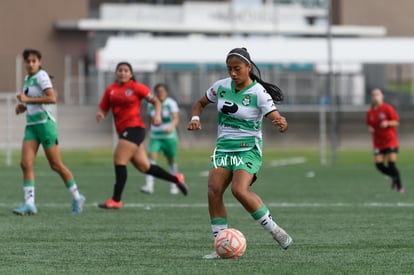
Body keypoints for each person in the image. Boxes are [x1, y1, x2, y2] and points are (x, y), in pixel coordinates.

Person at [187, 47, 292, 259]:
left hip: (248, 150)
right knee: (213, 191)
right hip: (224, 149)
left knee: (239, 190)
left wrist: (280, 123)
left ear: (248, 68)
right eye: (229, 69)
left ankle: (275, 231)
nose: (233, 73)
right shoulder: (221, 87)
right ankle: (220, 244)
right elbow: (199, 103)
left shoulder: (258, 93)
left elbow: (275, 116)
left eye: (237, 69)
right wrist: (195, 118)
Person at [96, 62, 188, 209]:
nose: (123, 73)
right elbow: (104, 107)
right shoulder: (110, 90)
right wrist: (101, 113)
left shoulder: (136, 87)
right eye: (120, 70)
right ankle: (176, 179)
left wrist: (157, 116)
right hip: (124, 132)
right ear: (116, 73)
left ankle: (116, 199)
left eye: (126, 70)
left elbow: (155, 101)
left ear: (131, 74)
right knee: (145, 167)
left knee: (119, 159)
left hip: (135, 129)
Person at [13, 48, 85, 216]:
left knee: (56, 165)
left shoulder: (42, 76)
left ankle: (77, 196)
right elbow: (31, 101)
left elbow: (52, 98)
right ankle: (29, 204)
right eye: (28, 61)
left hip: (45, 125)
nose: (31, 64)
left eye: (34, 61)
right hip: (32, 126)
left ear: (39, 62)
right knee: (25, 164)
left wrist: (28, 100)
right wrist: (22, 107)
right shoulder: (28, 78)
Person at [140, 83, 181, 195]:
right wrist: (147, 131)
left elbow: (176, 118)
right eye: (158, 91)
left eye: (162, 91)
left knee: (171, 161)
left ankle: (174, 184)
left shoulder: (171, 103)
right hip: (155, 137)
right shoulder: (151, 104)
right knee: (151, 159)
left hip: (169, 137)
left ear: (166, 92)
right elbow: (149, 119)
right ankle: (149, 185)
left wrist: (171, 127)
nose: (160, 93)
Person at [366, 88, 404, 193]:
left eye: (377, 94)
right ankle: (394, 177)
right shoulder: (370, 112)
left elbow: (396, 122)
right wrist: (370, 128)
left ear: (382, 96)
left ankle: (400, 187)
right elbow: (369, 124)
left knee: (391, 163)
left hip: (390, 140)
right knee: (379, 165)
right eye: (373, 95)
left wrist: (388, 123)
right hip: (378, 142)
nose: (375, 97)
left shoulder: (387, 108)